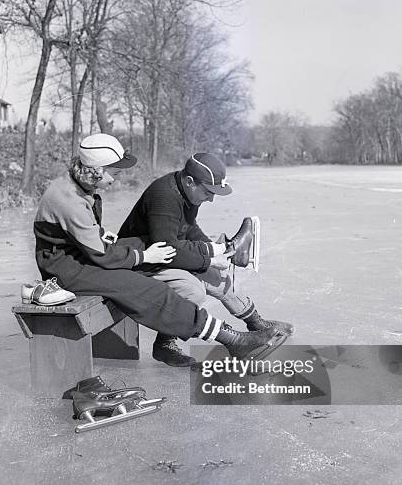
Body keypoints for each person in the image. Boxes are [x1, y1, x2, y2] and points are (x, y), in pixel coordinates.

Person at [33, 134, 284, 366]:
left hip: (78, 255)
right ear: (96, 170)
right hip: (66, 268)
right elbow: (100, 253)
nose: (116, 178)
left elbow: (84, 235)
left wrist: (101, 235)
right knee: (143, 288)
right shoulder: (69, 199)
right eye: (114, 173)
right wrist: (143, 256)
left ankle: (239, 321)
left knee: (167, 271)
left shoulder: (78, 186)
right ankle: (231, 339)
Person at [118, 152, 294, 367]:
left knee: (218, 276)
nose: (211, 198)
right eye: (208, 192)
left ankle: (255, 323)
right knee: (193, 290)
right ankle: (165, 344)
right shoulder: (164, 196)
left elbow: (189, 229)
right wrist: (209, 257)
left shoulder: (188, 191)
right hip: (141, 260)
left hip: (166, 253)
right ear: (190, 181)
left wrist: (217, 253)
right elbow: (167, 248)